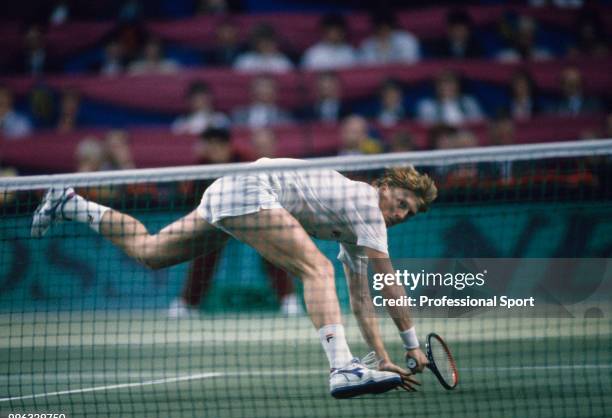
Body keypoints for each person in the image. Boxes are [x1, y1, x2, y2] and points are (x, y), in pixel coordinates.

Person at [31, 157, 435, 398]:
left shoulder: (358, 227)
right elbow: (390, 284)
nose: (400, 214)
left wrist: (383, 359)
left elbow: (363, 298)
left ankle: (70, 203)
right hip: (253, 189)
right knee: (317, 269)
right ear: (384, 187)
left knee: (150, 253)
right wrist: (412, 345)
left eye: (409, 213)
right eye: (400, 203)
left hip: (229, 190)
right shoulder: (366, 204)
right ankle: (342, 367)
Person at [169, 128, 302, 318]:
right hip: (218, 220)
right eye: (210, 145)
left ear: (227, 146)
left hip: (251, 217)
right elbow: (192, 198)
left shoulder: (244, 161)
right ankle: (187, 303)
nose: (214, 150)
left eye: (218, 145)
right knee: (204, 253)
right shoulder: (201, 167)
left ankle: (288, 299)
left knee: (272, 248)